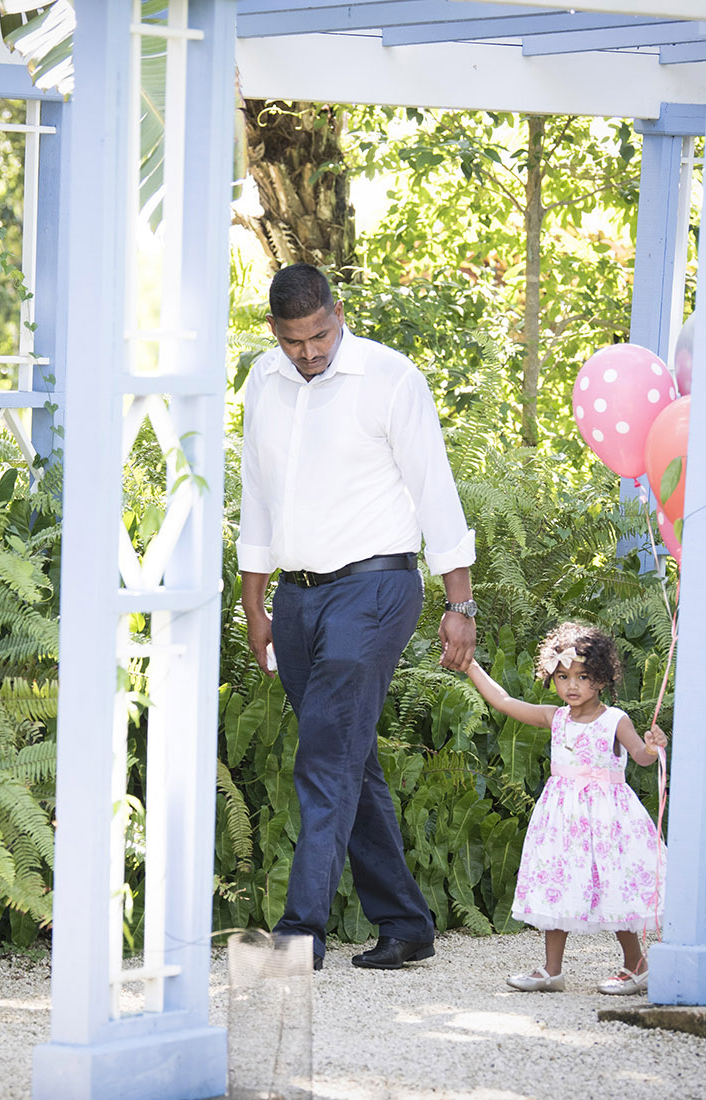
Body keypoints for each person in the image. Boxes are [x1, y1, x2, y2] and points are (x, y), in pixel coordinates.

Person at [239, 263, 479, 971]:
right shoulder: (262, 380)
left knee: (323, 758)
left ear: (338, 313)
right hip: (298, 596)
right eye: (293, 342)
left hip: (375, 592)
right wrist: (254, 599)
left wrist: (459, 603)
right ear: (275, 333)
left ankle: (300, 934)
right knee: (347, 756)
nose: (309, 353)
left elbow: (435, 491)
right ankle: (405, 922)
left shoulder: (390, 377)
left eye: (319, 336)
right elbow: (257, 488)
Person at [455, 621, 667, 995]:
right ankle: (552, 970)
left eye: (582, 676)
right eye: (563, 676)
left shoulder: (615, 720)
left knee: (614, 886)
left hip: (607, 820)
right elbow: (504, 701)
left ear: (601, 678)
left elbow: (640, 757)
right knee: (559, 884)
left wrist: (652, 746)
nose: (571, 686)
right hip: (562, 818)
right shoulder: (556, 718)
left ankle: (637, 965)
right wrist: (471, 666)